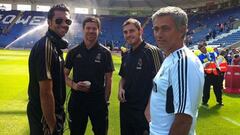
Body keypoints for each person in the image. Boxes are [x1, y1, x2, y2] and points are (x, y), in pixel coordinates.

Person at [149, 6, 204, 135]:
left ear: (182, 30)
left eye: (165, 29)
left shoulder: (183, 62)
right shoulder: (171, 57)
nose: (159, 34)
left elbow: (183, 120)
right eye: (156, 29)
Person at [64, 16, 114, 135]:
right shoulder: (73, 52)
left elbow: (109, 79)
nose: (91, 31)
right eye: (88, 28)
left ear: (99, 30)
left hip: (98, 102)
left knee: (101, 132)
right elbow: (63, 75)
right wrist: (74, 86)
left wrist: (106, 100)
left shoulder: (105, 53)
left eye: (94, 28)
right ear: (83, 29)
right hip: (77, 101)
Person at [27, 4, 71, 135]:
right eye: (59, 20)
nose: (64, 24)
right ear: (49, 22)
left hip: (52, 113)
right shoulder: (46, 48)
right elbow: (45, 92)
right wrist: (52, 126)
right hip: (45, 117)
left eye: (67, 21)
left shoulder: (54, 47)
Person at [118, 18, 164, 135]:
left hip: (143, 111)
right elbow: (123, 77)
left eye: (132, 31)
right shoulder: (126, 54)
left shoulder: (152, 52)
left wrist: (149, 108)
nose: (128, 34)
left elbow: (161, 83)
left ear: (140, 31)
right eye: (125, 32)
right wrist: (120, 88)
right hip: (126, 109)